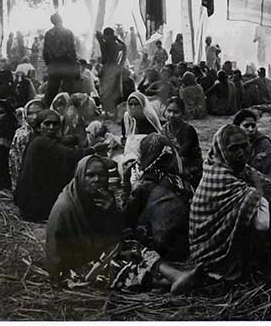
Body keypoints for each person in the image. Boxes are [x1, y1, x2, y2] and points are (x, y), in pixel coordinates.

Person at [45, 154, 202, 293]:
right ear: (79, 177)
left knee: (132, 245)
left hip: (95, 252)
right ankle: (167, 282)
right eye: (90, 175)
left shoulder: (95, 197)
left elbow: (113, 235)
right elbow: (57, 257)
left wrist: (110, 211)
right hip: (71, 270)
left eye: (101, 175)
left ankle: (175, 276)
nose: (97, 180)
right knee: (117, 268)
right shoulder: (65, 207)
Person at [189, 125, 271, 292]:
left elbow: (269, 185)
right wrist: (257, 189)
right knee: (251, 215)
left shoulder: (234, 169)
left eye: (244, 146)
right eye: (233, 148)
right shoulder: (221, 177)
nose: (241, 153)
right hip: (211, 255)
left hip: (221, 241)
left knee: (257, 208)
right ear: (221, 150)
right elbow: (262, 224)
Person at [13, 110, 110, 222]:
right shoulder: (40, 142)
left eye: (55, 124)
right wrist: (94, 149)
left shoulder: (42, 140)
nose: (51, 127)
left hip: (32, 200)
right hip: (32, 206)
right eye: (47, 124)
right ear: (39, 128)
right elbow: (70, 155)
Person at [122, 133, 195, 260]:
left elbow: (126, 219)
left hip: (161, 252)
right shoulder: (182, 181)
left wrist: (125, 184)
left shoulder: (143, 187)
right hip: (185, 247)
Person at [161, 98, 203, 187]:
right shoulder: (163, 129)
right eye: (169, 111)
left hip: (188, 165)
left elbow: (184, 153)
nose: (171, 115)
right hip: (171, 163)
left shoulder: (188, 130)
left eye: (176, 112)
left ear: (182, 113)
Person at [42, 13, 79, 109]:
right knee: (68, 90)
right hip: (67, 64)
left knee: (51, 89)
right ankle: (69, 111)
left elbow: (45, 51)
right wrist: (74, 66)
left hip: (54, 64)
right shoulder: (68, 32)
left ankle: (47, 110)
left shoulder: (49, 33)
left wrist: (49, 64)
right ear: (61, 20)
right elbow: (72, 50)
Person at [233, 108, 271, 182]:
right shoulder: (231, 142)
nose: (251, 129)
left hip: (259, 181)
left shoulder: (262, 142)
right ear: (237, 127)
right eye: (246, 126)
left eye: (253, 125)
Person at [8, 98, 44, 188]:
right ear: (25, 115)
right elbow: (18, 161)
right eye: (30, 113)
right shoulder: (23, 134)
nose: (35, 116)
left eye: (39, 112)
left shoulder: (49, 130)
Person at [95, 27, 127, 118]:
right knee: (115, 90)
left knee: (105, 91)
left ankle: (106, 113)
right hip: (116, 68)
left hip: (107, 69)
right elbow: (124, 47)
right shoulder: (118, 45)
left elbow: (104, 58)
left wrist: (100, 39)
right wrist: (117, 39)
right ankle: (115, 112)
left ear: (106, 35)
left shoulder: (105, 43)